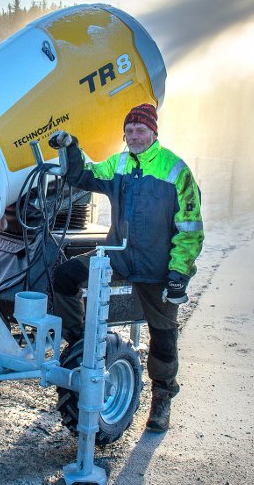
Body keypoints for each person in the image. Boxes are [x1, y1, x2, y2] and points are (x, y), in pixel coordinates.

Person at [48, 103, 203, 432]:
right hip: (117, 256)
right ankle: (82, 346)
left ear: (153, 133)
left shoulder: (175, 171)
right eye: (129, 130)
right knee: (64, 276)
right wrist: (71, 147)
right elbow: (82, 175)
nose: (134, 136)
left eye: (140, 130)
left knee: (163, 333)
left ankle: (162, 397)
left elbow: (190, 230)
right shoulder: (118, 164)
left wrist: (178, 274)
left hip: (157, 267)